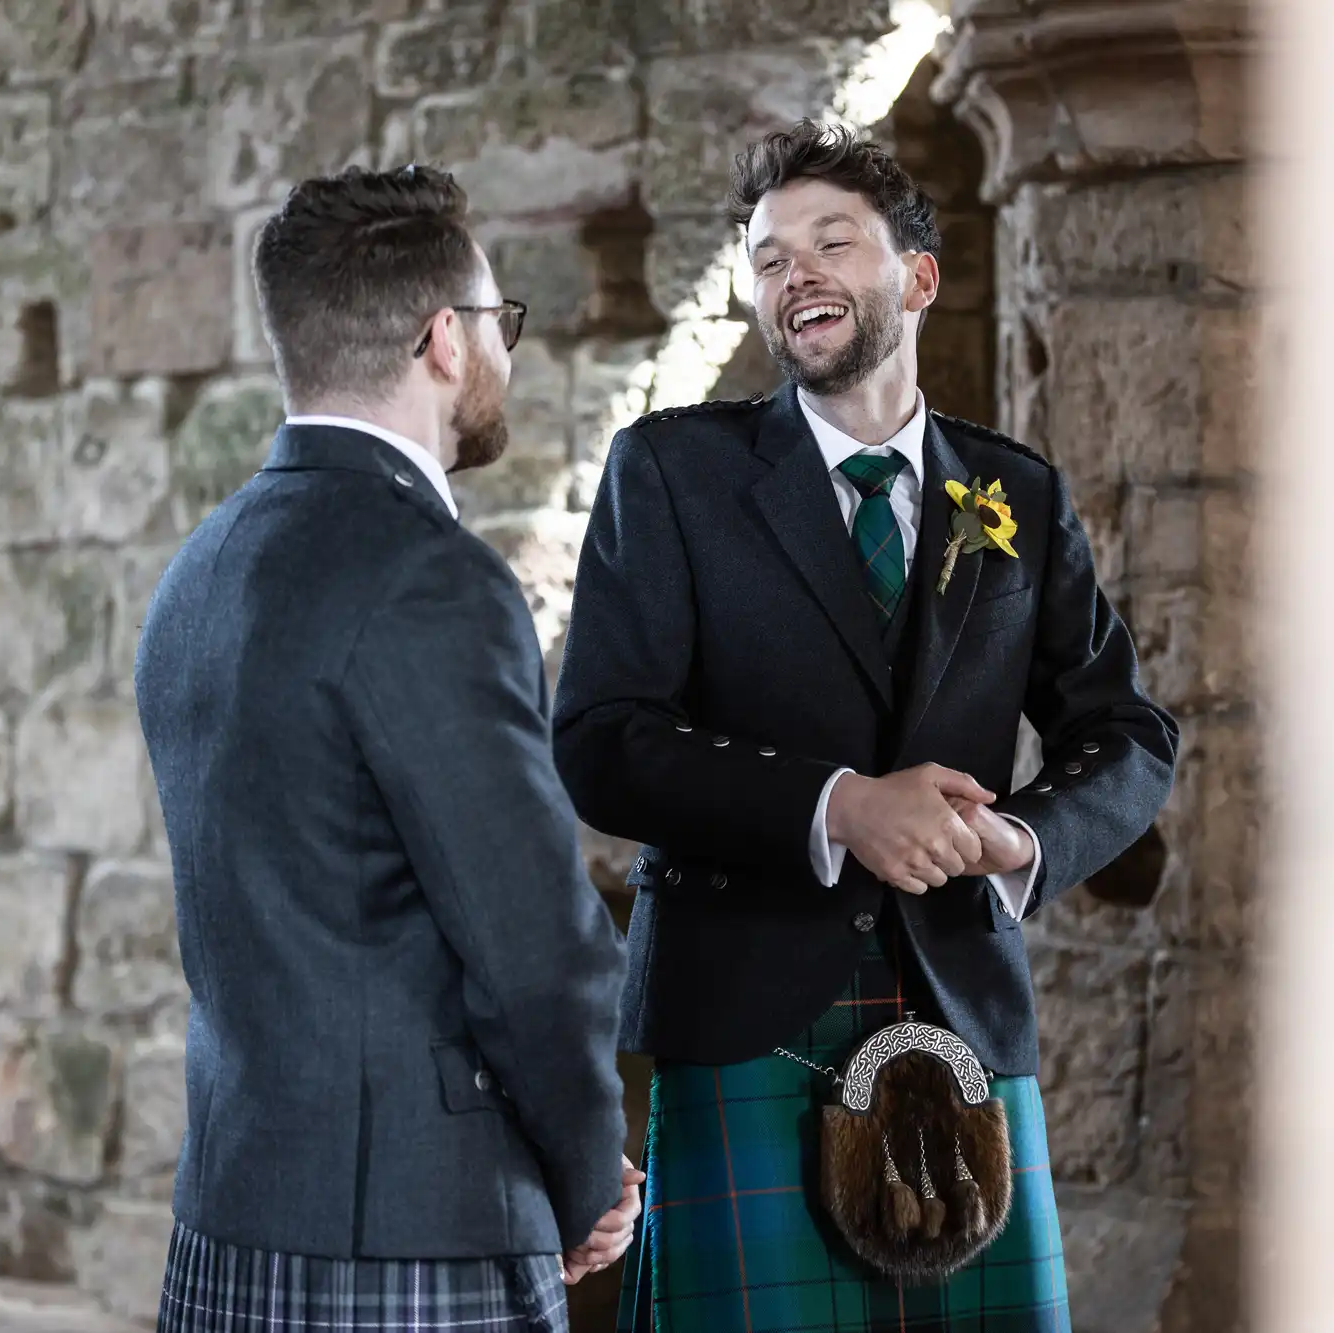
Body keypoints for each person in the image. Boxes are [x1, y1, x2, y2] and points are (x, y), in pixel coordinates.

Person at [552, 121, 1181, 1331]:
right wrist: (837, 806)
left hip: (960, 1015)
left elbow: (1126, 732)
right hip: (741, 1013)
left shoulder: (1014, 496)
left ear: (916, 277)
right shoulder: (673, 473)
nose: (795, 275)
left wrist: (1023, 842)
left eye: (829, 242)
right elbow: (599, 738)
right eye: (768, 258)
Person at [134, 164, 641, 1333]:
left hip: (231, 1213)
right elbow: (531, 947)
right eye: (497, 321)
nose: (503, 351)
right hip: (415, 1235)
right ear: (443, 339)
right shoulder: (429, 579)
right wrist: (585, 1178)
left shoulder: (197, 574)